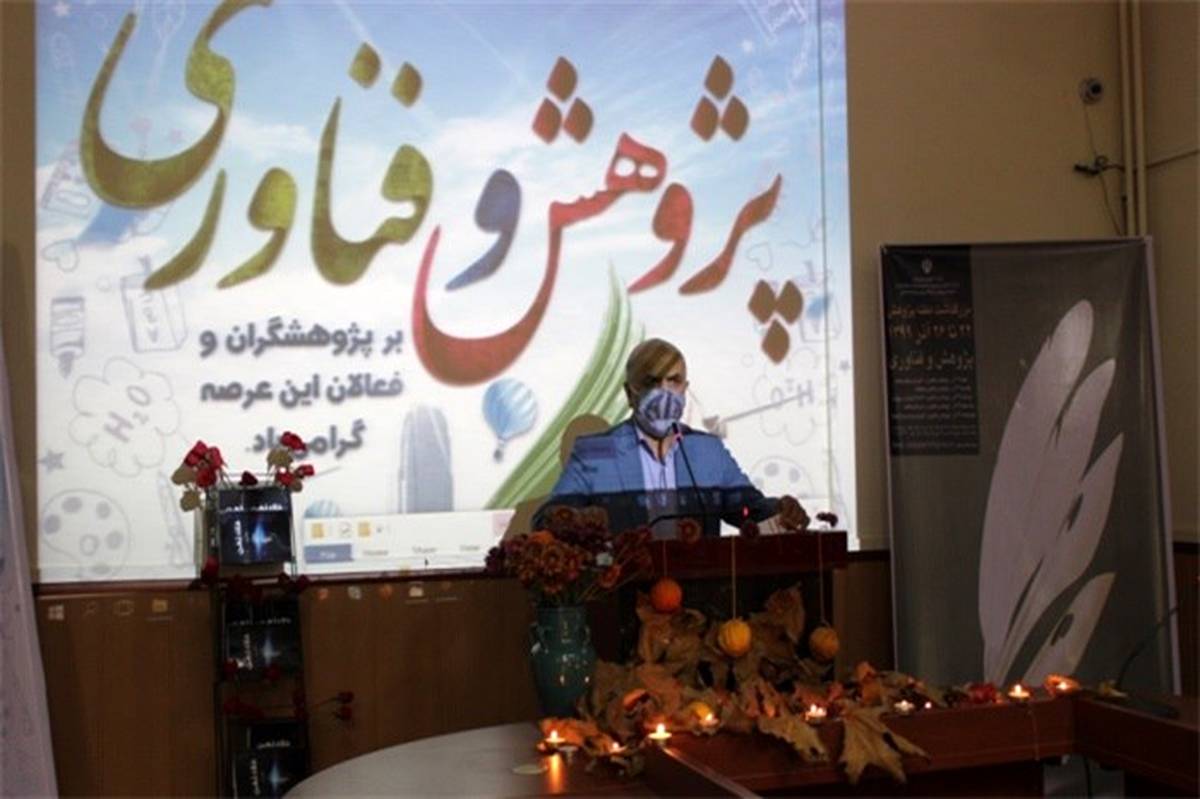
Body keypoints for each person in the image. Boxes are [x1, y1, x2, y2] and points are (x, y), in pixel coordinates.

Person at [536, 338, 809, 538]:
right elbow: (545, 520)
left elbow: (749, 510)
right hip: (625, 591)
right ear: (630, 393)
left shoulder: (708, 451)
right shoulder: (595, 452)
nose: (664, 392)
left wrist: (780, 510)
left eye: (674, 381)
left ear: (685, 389)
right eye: (651, 382)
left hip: (699, 592)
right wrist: (576, 519)